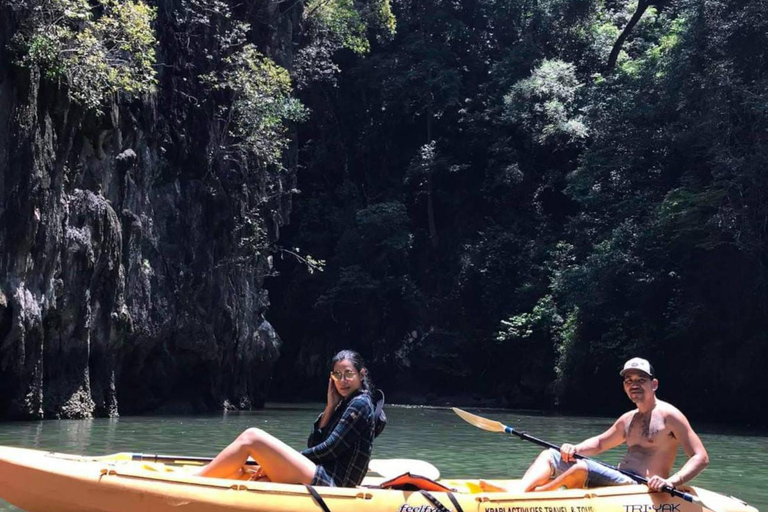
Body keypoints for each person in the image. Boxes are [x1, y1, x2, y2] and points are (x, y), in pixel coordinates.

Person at [195, 349, 384, 487]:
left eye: (348, 374)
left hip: (335, 482)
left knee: (251, 437)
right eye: (337, 374)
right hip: (323, 472)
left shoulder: (360, 403)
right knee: (259, 477)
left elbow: (330, 449)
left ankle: (194, 482)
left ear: (361, 374)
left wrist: (293, 458)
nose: (342, 381)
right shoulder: (343, 403)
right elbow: (314, 442)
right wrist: (330, 407)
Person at [518, 357, 709, 492]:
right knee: (550, 454)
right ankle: (519, 492)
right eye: (629, 380)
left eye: (641, 380)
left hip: (640, 486)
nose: (634, 384)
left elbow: (700, 457)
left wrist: (671, 482)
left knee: (582, 468)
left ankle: (540, 494)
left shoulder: (670, 416)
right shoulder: (628, 419)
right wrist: (574, 448)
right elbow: (600, 443)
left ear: (654, 384)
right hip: (619, 476)